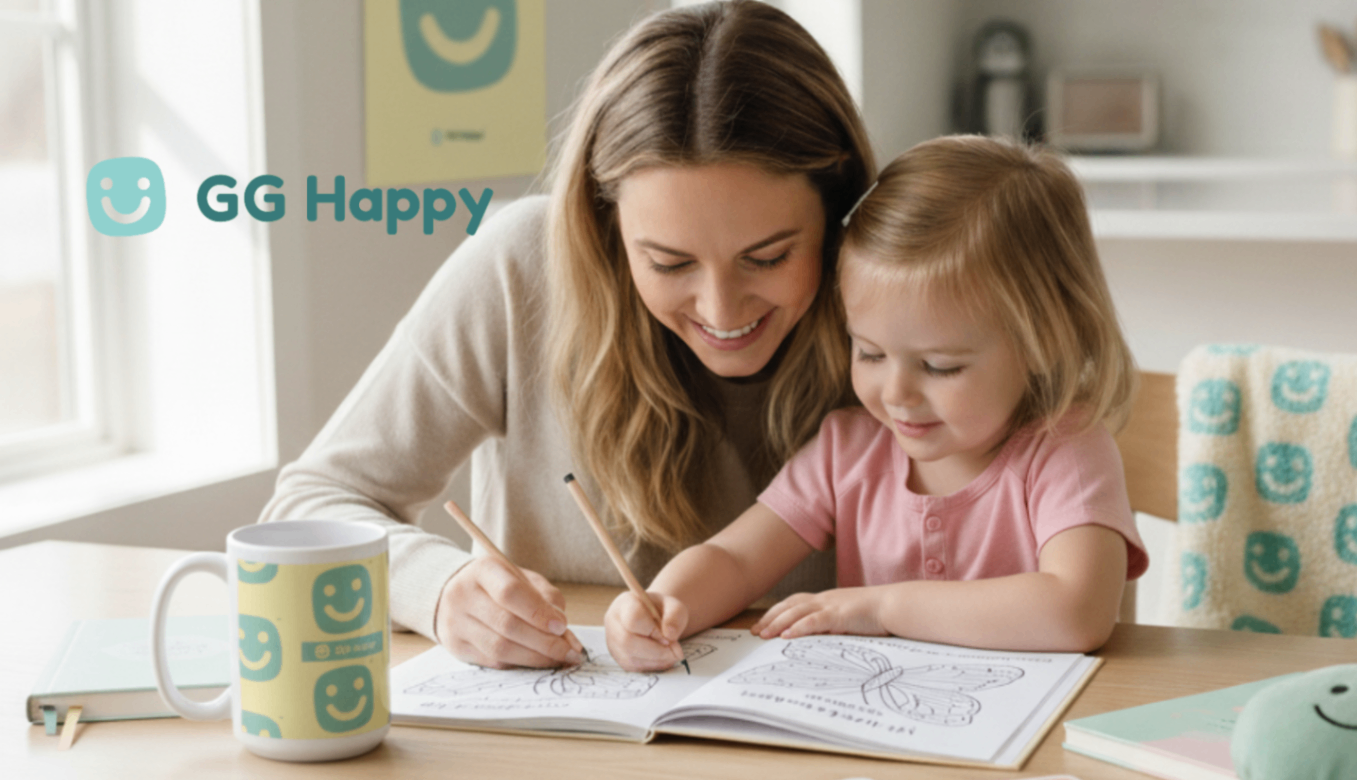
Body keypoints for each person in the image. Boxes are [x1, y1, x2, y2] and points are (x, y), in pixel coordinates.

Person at [257, 1, 875, 669]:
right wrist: (437, 591)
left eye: (768, 257)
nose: (721, 309)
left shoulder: (905, 294)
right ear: (606, 226)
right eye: (668, 262)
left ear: (840, 216)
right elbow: (307, 505)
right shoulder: (521, 266)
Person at [606, 135, 1150, 671]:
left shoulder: (1066, 450)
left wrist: (883, 605)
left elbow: (1077, 612)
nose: (895, 395)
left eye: (940, 366)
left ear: (1045, 343)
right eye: (868, 353)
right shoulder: (849, 449)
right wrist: (663, 603)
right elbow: (736, 559)